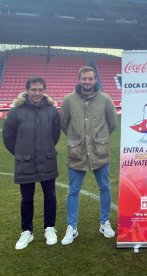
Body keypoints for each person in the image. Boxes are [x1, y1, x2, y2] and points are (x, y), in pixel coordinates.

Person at [60, 66, 117, 245]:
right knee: (73, 191)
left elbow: (112, 124)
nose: (87, 82)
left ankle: (104, 222)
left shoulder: (105, 99)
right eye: (84, 78)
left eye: (90, 79)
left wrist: (99, 139)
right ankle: (72, 227)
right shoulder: (68, 100)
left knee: (105, 187)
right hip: (77, 153)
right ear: (79, 79)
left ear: (95, 80)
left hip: (100, 153)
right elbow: (64, 125)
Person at [3, 77, 60, 249]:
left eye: (40, 89)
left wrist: (46, 150)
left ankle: (49, 227)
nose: (37, 93)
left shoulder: (51, 111)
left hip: (47, 160)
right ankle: (26, 231)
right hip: (25, 163)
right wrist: (21, 153)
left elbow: (55, 135)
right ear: (27, 90)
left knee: (50, 196)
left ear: (44, 90)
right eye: (33, 89)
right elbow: (8, 137)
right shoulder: (16, 111)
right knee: (26, 198)